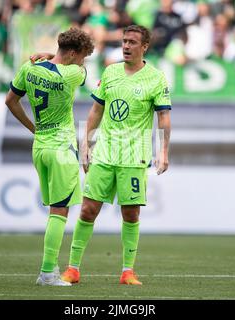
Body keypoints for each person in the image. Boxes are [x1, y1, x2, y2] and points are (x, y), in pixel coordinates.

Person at [61, 25, 172, 285]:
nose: (126, 46)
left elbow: (164, 117)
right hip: (105, 153)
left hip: (135, 156)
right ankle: (73, 269)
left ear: (144, 47)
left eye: (132, 42)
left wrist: (163, 150)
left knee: (131, 214)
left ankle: (127, 271)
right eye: (124, 41)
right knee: (88, 210)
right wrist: (86, 144)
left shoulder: (156, 78)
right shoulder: (110, 72)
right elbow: (95, 112)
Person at [5, 27, 94, 286]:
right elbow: (79, 71)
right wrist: (56, 58)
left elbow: (11, 100)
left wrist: (32, 127)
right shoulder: (73, 74)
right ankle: (47, 272)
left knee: (55, 209)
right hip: (61, 149)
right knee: (59, 212)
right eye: (83, 56)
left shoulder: (29, 68)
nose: (84, 62)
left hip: (40, 147)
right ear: (74, 54)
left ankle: (48, 270)